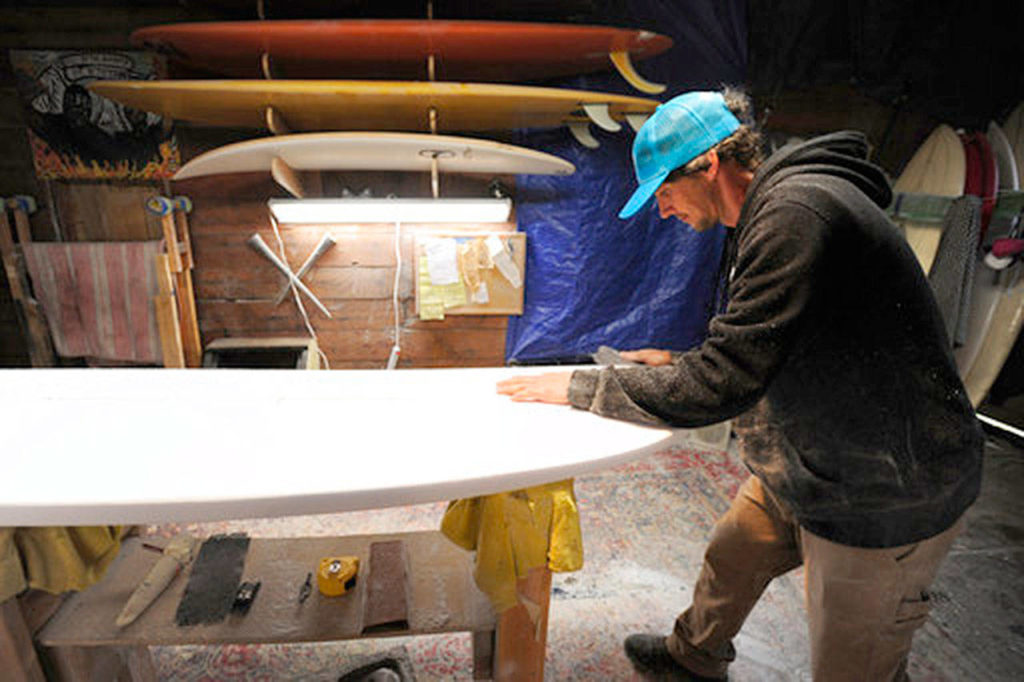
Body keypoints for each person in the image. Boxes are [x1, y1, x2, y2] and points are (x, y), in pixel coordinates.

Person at [496, 88, 983, 681]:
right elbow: (761, 344)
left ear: (707, 165)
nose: (663, 210)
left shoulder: (795, 216)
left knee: (855, 660)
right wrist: (674, 360)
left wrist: (585, 387)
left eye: (664, 192)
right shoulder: (767, 212)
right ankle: (691, 659)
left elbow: (722, 384)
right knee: (733, 554)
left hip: (885, 487)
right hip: (812, 454)